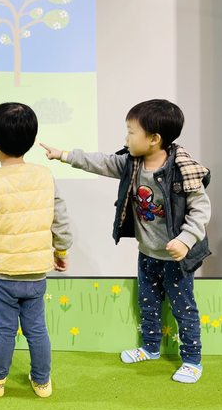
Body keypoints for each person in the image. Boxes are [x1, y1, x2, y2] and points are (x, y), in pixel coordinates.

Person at [41, 98, 211, 384]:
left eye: (131, 132)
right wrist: (65, 155)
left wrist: (185, 239)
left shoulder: (183, 170)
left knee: (184, 309)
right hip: (147, 253)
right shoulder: (132, 163)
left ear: (154, 139)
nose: (126, 138)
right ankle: (150, 348)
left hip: (177, 258)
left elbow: (201, 210)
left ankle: (192, 360)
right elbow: (101, 162)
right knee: (148, 303)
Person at [0, 102, 73, 398]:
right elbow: (60, 220)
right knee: (37, 328)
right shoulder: (45, 176)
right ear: (32, 139)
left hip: (1, 274)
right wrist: (61, 252)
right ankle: (42, 382)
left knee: (4, 329)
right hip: (36, 272)